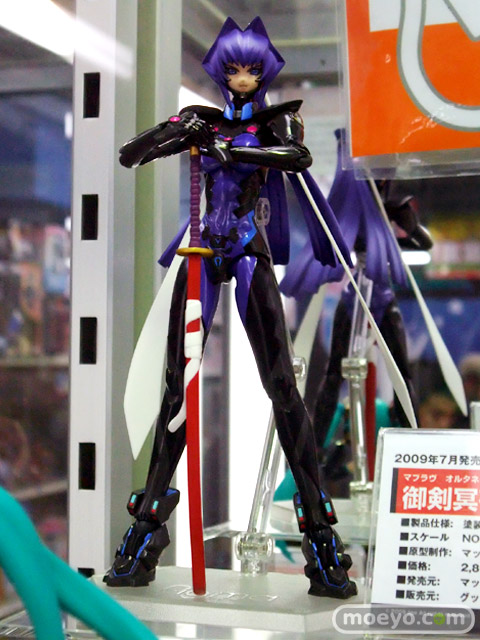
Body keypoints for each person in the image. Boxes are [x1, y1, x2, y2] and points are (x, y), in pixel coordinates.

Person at [103, 17, 357, 599]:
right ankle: (145, 530)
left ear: (264, 73)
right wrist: (179, 130)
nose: (243, 77)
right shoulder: (203, 118)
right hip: (198, 250)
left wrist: (227, 146)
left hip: (246, 249)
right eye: (234, 68)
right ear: (221, 71)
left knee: (282, 386)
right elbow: (130, 154)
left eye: (252, 69)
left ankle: (320, 535)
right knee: (177, 388)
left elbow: (295, 156)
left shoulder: (274, 120)